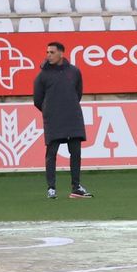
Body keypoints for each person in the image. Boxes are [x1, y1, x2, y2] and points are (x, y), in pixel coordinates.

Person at [33, 41, 91, 199]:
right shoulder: (42, 75)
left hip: (72, 117)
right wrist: (50, 111)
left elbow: (78, 94)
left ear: (61, 53)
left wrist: (68, 107)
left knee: (76, 153)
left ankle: (76, 187)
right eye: (47, 52)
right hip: (54, 120)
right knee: (51, 154)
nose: (48, 55)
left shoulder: (74, 72)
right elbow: (37, 100)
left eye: (52, 52)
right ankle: (51, 188)